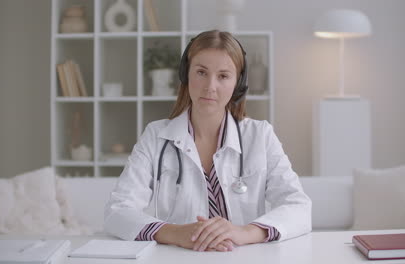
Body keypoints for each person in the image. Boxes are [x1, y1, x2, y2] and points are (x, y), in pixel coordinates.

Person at [104, 30, 312, 252]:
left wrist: (244, 232)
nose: (210, 86)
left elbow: (299, 207)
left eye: (223, 76)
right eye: (201, 72)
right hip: (178, 257)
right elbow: (117, 211)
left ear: (238, 84)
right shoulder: (156, 136)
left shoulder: (260, 135)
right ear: (186, 74)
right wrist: (176, 233)